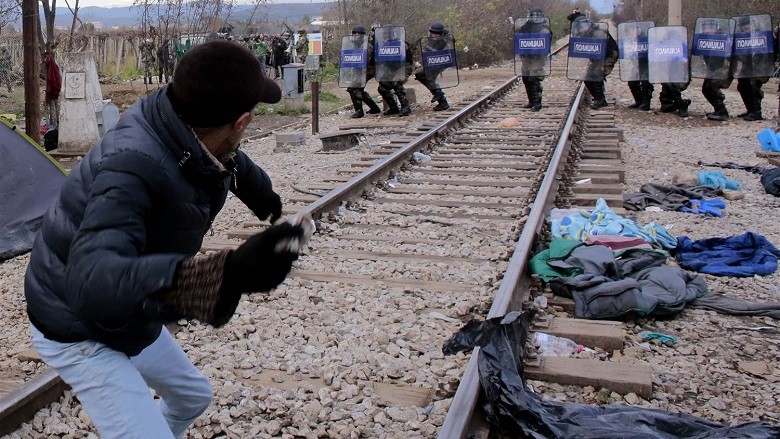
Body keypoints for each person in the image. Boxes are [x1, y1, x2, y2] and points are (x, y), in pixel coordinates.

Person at [25, 40, 309, 439]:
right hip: (75, 321)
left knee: (193, 397)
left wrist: (267, 201)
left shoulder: (179, 124)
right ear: (242, 122)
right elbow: (91, 282)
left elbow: (228, 161)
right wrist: (226, 274)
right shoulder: (132, 166)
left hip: (125, 310)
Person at [733, 15, 772, 121]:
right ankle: (750, 109)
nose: (747, 28)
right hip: (748, 67)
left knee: (753, 84)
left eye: (749, 25)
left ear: (754, 25)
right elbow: (741, 56)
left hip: (761, 68)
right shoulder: (741, 37)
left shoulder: (763, 36)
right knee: (742, 84)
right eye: (744, 26)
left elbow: (767, 55)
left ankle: (756, 111)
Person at [573, 17, 618, 109]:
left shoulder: (598, 33)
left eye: (583, 27)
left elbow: (601, 49)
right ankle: (598, 98)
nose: (581, 29)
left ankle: (601, 100)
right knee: (588, 78)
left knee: (597, 74)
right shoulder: (585, 34)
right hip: (598, 58)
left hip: (609, 55)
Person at [516, 9, 551, 111]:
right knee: (526, 78)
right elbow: (518, 36)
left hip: (538, 58)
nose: (534, 19)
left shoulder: (544, 29)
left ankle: (537, 103)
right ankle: (531, 101)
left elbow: (546, 46)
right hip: (526, 57)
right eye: (532, 16)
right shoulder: (526, 27)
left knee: (534, 78)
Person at [414, 21, 452, 111]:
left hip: (441, 63)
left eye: (437, 34)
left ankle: (440, 97)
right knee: (420, 74)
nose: (435, 36)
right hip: (431, 62)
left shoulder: (447, 41)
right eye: (433, 33)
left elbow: (449, 56)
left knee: (428, 77)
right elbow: (426, 51)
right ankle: (441, 99)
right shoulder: (430, 41)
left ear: (442, 34)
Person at [698, 19, 732, 121]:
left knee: (712, 87)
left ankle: (722, 111)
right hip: (712, 69)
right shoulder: (702, 40)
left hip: (723, 69)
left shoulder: (725, 39)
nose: (707, 30)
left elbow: (729, 56)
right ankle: (718, 109)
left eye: (710, 28)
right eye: (705, 28)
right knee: (706, 89)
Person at [375, 26, 414, 116]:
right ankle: (393, 107)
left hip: (403, 68)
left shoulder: (401, 43)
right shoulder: (382, 45)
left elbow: (408, 60)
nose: (384, 36)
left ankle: (406, 107)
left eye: (386, 34)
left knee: (396, 82)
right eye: (383, 34)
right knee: (382, 88)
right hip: (390, 69)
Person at [345, 25, 381, 118]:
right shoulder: (355, 44)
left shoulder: (367, 45)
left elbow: (366, 60)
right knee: (357, 89)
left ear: (359, 34)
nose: (353, 36)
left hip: (368, 69)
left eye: (355, 34)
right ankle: (374, 108)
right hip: (358, 69)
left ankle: (359, 111)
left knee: (354, 88)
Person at [621, 22, 653, 110]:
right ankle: (639, 101)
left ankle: (646, 102)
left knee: (645, 81)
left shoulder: (646, 36)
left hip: (647, 63)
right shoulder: (631, 39)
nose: (631, 34)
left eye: (632, 31)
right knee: (632, 81)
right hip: (637, 64)